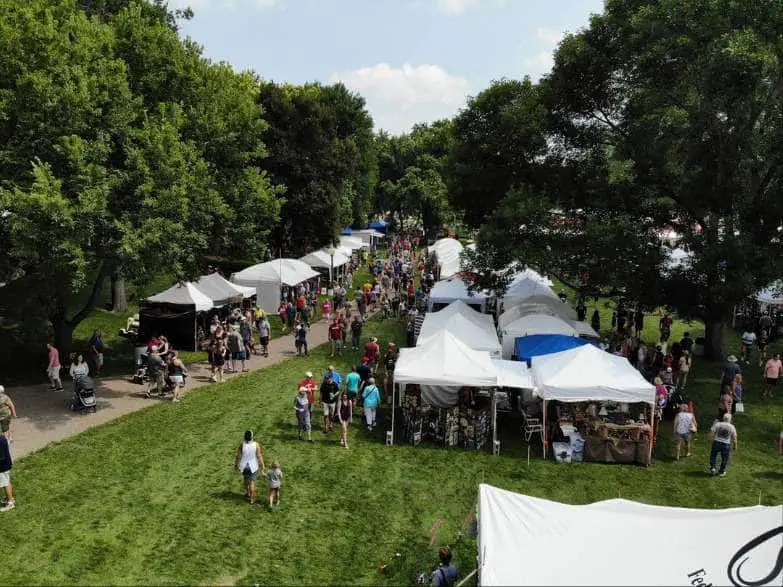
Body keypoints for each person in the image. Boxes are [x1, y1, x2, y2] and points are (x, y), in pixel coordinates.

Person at [235, 430, 264, 505]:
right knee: (251, 483)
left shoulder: (242, 445)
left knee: (245, 480)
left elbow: (238, 456)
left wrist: (236, 465)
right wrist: (262, 466)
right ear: (252, 437)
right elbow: (259, 456)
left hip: (244, 466)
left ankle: (248, 493)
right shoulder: (256, 444)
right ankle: (252, 498)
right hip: (253, 466)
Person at [708, 413, 738, 477]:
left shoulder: (718, 424)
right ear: (730, 419)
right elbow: (734, 438)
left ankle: (713, 467)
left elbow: (711, 433)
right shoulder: (732, 427)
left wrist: (710, 439)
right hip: (726, 444)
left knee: (713, 455)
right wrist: (735, 446)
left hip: (716, 442)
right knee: (725, 458)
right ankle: (721, 471)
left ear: (723, 418)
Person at [0, 433, 14, 512]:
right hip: (6, 464)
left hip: (2, 467)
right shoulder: (2, 438)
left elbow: (1, 457)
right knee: (7, 482)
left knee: (5, 483)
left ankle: (10, 503)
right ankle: (10, 498)